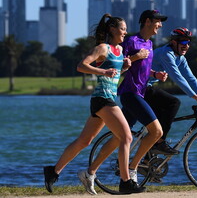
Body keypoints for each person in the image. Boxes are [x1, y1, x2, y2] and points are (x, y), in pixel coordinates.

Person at [43, 14, 144, 195]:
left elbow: (113, 74)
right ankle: (126, 181)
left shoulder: (119, 50)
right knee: (126, 137)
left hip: (108, 98)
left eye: (126, 29)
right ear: (113, 29)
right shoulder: (102, 48)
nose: (125, 32)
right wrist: (103, 71)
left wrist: (124, 68)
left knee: (84, 140)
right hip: (102, 99)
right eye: (122, 29)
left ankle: (53, 171)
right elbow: (81, 66)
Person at [117, 9, 171, 181]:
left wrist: (156, 75)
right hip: (129, 93)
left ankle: (90, 172)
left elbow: (144, 71)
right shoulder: (131, 41)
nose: (160, 25)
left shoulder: (149, 44)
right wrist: (136, 56)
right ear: (147, 21)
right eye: (157, 21)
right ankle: (133, 168)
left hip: (140, 94)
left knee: (119, 137)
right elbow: (118, 64)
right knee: (156, 132)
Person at [147, 27, 197, 147]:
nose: (187, 46)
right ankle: (159, 142)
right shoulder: (166, 54)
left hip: (148, 87)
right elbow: (178, 78)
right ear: (174, 42)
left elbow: (190, 78)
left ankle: (147, 159)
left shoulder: (180, 58)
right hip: (141, 87)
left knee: (160, 120)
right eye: (184, 42)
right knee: (174, 103)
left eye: (189, 42)